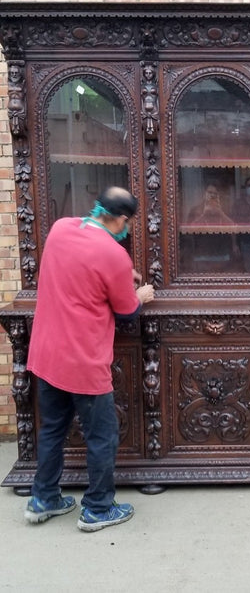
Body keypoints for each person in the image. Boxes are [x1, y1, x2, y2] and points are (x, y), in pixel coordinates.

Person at [24, 186, 155, 532]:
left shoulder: (61, 228)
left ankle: (44, 499)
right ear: (123, 220)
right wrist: (138, 293)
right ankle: (97, 508)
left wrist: (121, 278)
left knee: (52, 428)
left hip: (47, 353)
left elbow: (80, 273)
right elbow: (127, 311)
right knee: (102, 436)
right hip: (83, 361)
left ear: (98, 207)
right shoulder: (114, 254)